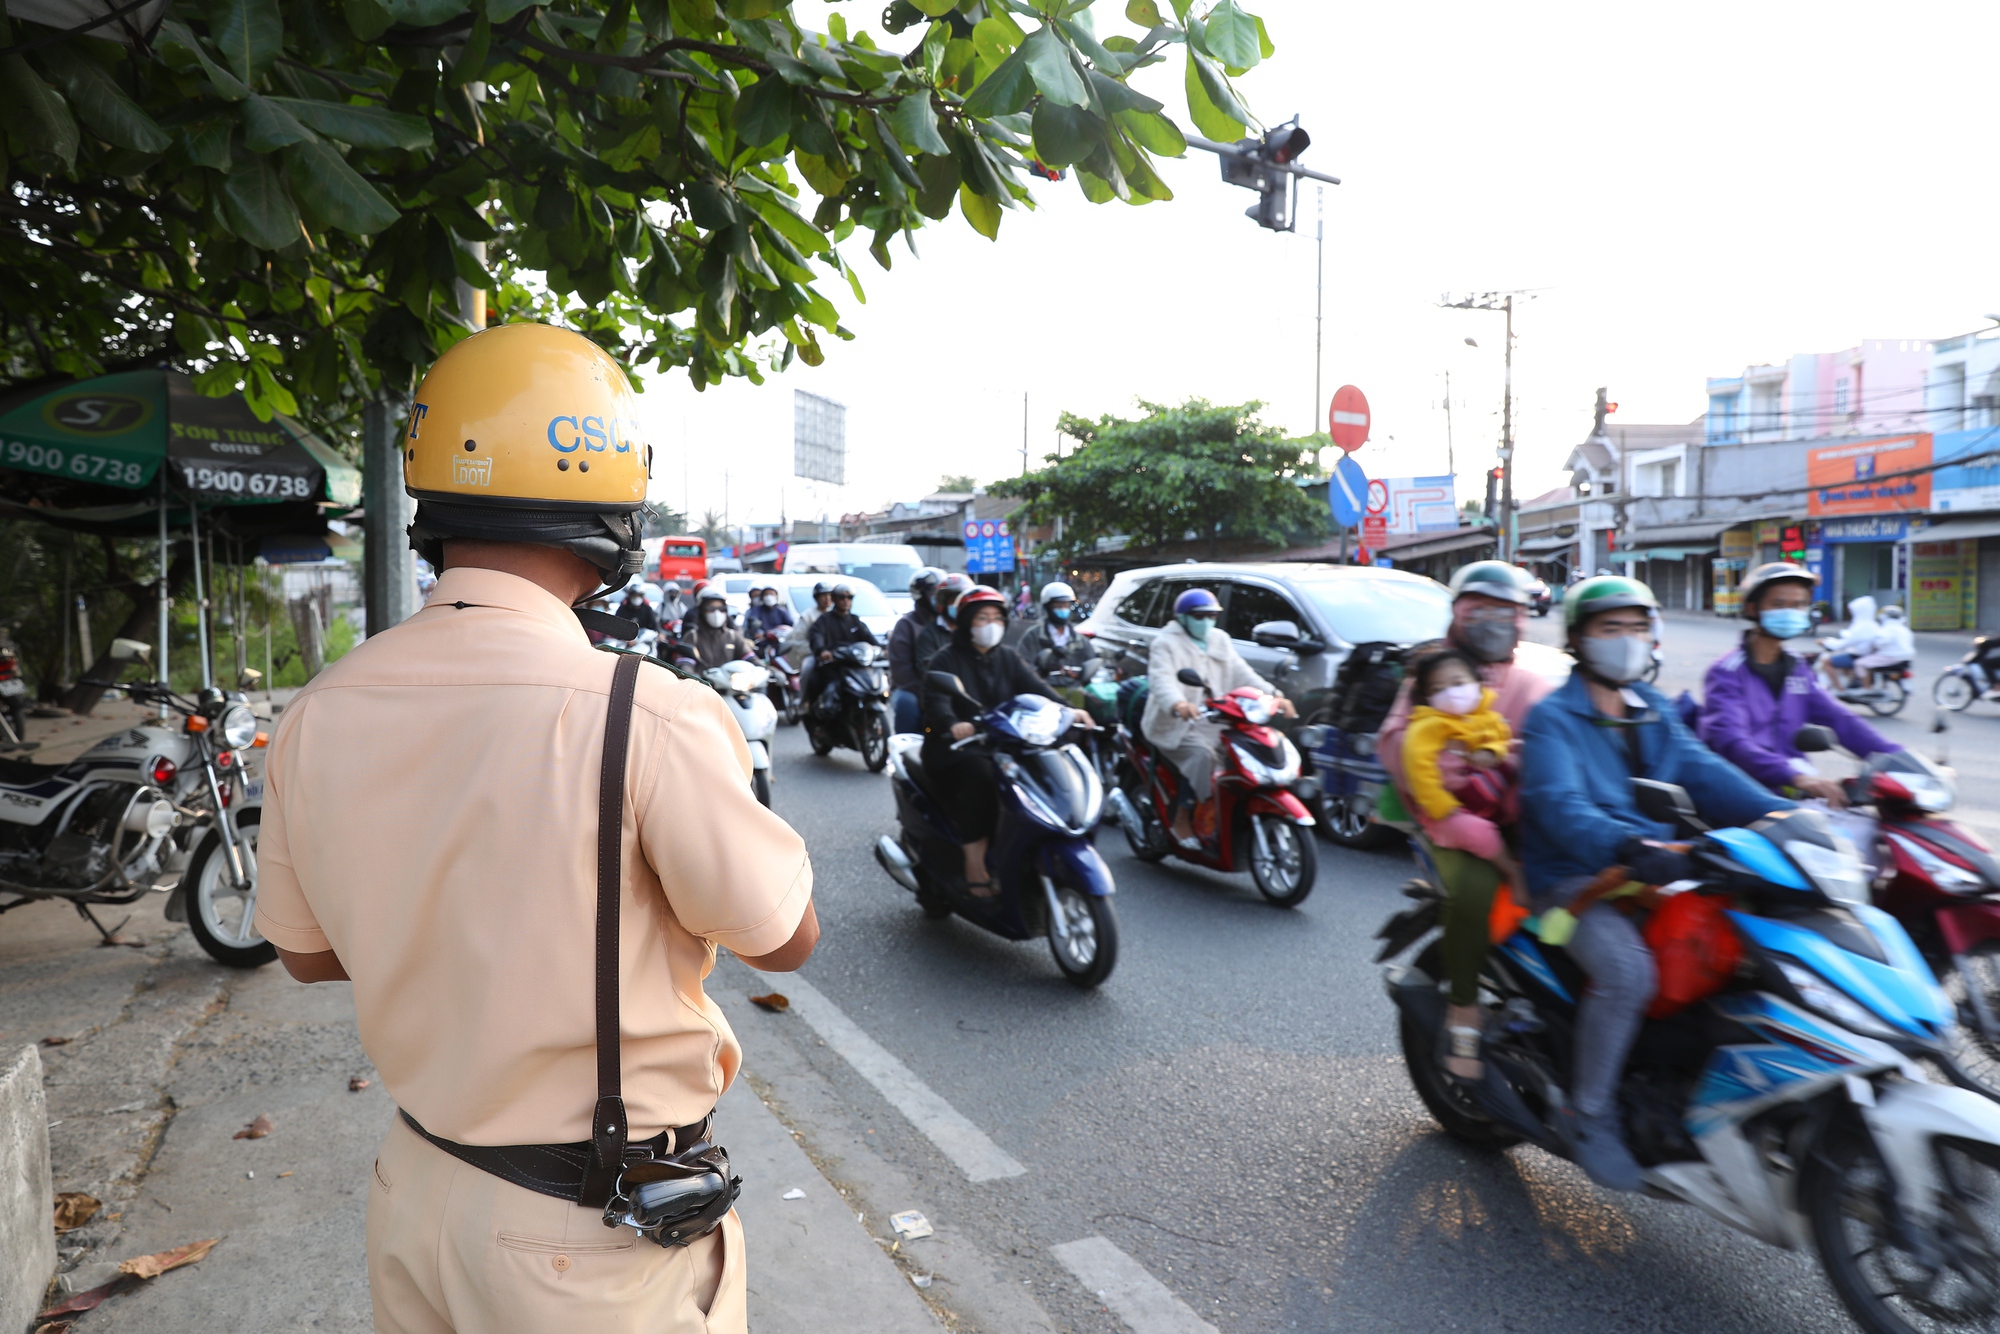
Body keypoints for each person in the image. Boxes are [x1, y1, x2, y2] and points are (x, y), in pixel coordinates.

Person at [250, 323, 817, 1334]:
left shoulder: (320, 709)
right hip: (584, 1237)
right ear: (609, 497)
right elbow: (784, 937)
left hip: (416, 1187)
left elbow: (303, 955)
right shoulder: (642, 709)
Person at [1520, 574, 1791, 1192]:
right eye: (1610, 629)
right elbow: (1560, 807)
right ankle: (1588, 1111)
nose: (1627, 641)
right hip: (1576, 878)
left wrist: (1783, 814)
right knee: (1629, 972)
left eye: (1637, 628)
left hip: (1652, 867)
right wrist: (1626, 845)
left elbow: (1705, 770)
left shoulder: (1652, 709)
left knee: (1743, 946)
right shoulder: (1552, 720)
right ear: (1580, 640)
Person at [1378, 562, 1555, 1061]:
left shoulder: (1532, 682)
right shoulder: (1433, 673)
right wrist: (1455, 762)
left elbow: (1559, 742)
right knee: (1476, 890)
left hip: (1525, 814)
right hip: (1447, 817)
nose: (1493, 621)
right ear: (1458, 614)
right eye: (1479, 610)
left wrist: (1508, 756)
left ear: (1523, 617)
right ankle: (1463, 1008)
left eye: (1506, 611)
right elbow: (1395, 745)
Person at [1400, 645, 1525, 1080]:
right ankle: (1463, 1006)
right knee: (1477, 879)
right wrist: (1445, 811)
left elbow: (1499, 736)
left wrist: (1493, 751)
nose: (1451, 693)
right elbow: (1422, 778)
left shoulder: (1487, 710)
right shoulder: (1426, 728)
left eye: (1458, 683)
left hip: (1490, 801)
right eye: (1439, 689)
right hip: (1452, 819)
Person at [920, 587, 1089, 893]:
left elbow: (1036, 688)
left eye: (996, 618)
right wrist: (953, 723)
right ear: (967, 622)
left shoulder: (1008, 657)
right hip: (957, 748)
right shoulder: (945, 659)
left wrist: (1068, 711)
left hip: (1005, 742)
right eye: (982, 618)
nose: (990, 625)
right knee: (983, 779)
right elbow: (936, 701)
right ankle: (975, 863)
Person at [1698, 562, 1898, 805]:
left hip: (1793, 789)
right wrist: (1798, 778)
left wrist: (1896, 758)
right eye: (1779, 604)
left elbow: (1840, 720)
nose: (1790, 612)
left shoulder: (1797, 667)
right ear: (1753, 608)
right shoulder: (1727, 672)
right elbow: (1733, 741)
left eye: (1799, 605)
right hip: (1744, 794)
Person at [1141, 588, 1294, 847]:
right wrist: (1178, 704)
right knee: (1203, 757)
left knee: (1246, 753)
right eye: (1200, 616)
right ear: (1183, 617)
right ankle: (1183, 819)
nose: (1207, 621)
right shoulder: (1166, 643)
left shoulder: (1219, 639)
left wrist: (1276, 695)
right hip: (1176, 723)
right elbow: (1161, 679)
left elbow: (1243, 674)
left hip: (1217, 718)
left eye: (1212, 615)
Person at [889, 568, 945, 735]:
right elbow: (902, 673)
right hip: (912, 689)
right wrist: (928, 694)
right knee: (908, 703)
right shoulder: (906, 626)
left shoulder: (948, 623)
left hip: (946, 688)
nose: (939, 598)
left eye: (942, 593)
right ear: (920, 595)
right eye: (934, 593)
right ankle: (906, 753)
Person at [803, 583, 878, 707]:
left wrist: (881, 649)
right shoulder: (824, 620)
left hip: (855, 664)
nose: (846, 601)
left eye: (849, 598)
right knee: (814, 681)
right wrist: (822, 651)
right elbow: (816, 636)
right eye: (842, 597)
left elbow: (869, 638)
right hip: (833, 664)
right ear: (834, 599)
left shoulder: (855, 620)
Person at [1017, 580, 1095, 680]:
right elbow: (1021, 669)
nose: (1063, 609)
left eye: (1066, 605)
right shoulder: (1032, 637)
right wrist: (1041, 670)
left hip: (1073, 692)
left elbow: (1091, 668)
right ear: (1047, 607)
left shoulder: (1080, 640)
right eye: (1058, 605)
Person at [913, 573, 975, 682]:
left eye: (963, 602)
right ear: (944, 603)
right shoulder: (928, 636)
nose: (959, 605)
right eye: (955, 600)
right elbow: (928, 674)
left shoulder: (976, 631)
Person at [1818, 594, 1880, 692]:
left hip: (1857, 656)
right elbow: (1852, 638)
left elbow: (1841, 644)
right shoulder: (1872, 625)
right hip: (1863, 654)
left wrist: (1826, 642)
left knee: (1827, 662)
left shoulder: (1861, 626)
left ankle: (1840, 689)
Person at [683, 586, 755, 670]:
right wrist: (692, 676)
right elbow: (685, 663)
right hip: (701, 682)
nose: (717, 613)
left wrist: (768, 670)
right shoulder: (692, 637)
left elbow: (750, 658)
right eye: (711, 609)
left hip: (731, 682)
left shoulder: (733, 636)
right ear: (701, 611)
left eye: (721, 609)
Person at [1858, 603, 1915, 687]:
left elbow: (1880, 643)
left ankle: (1866, 689)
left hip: (1892, 657)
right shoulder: (1904, 629)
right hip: (1907, 658)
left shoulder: (1887, 628)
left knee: (1860, 664)